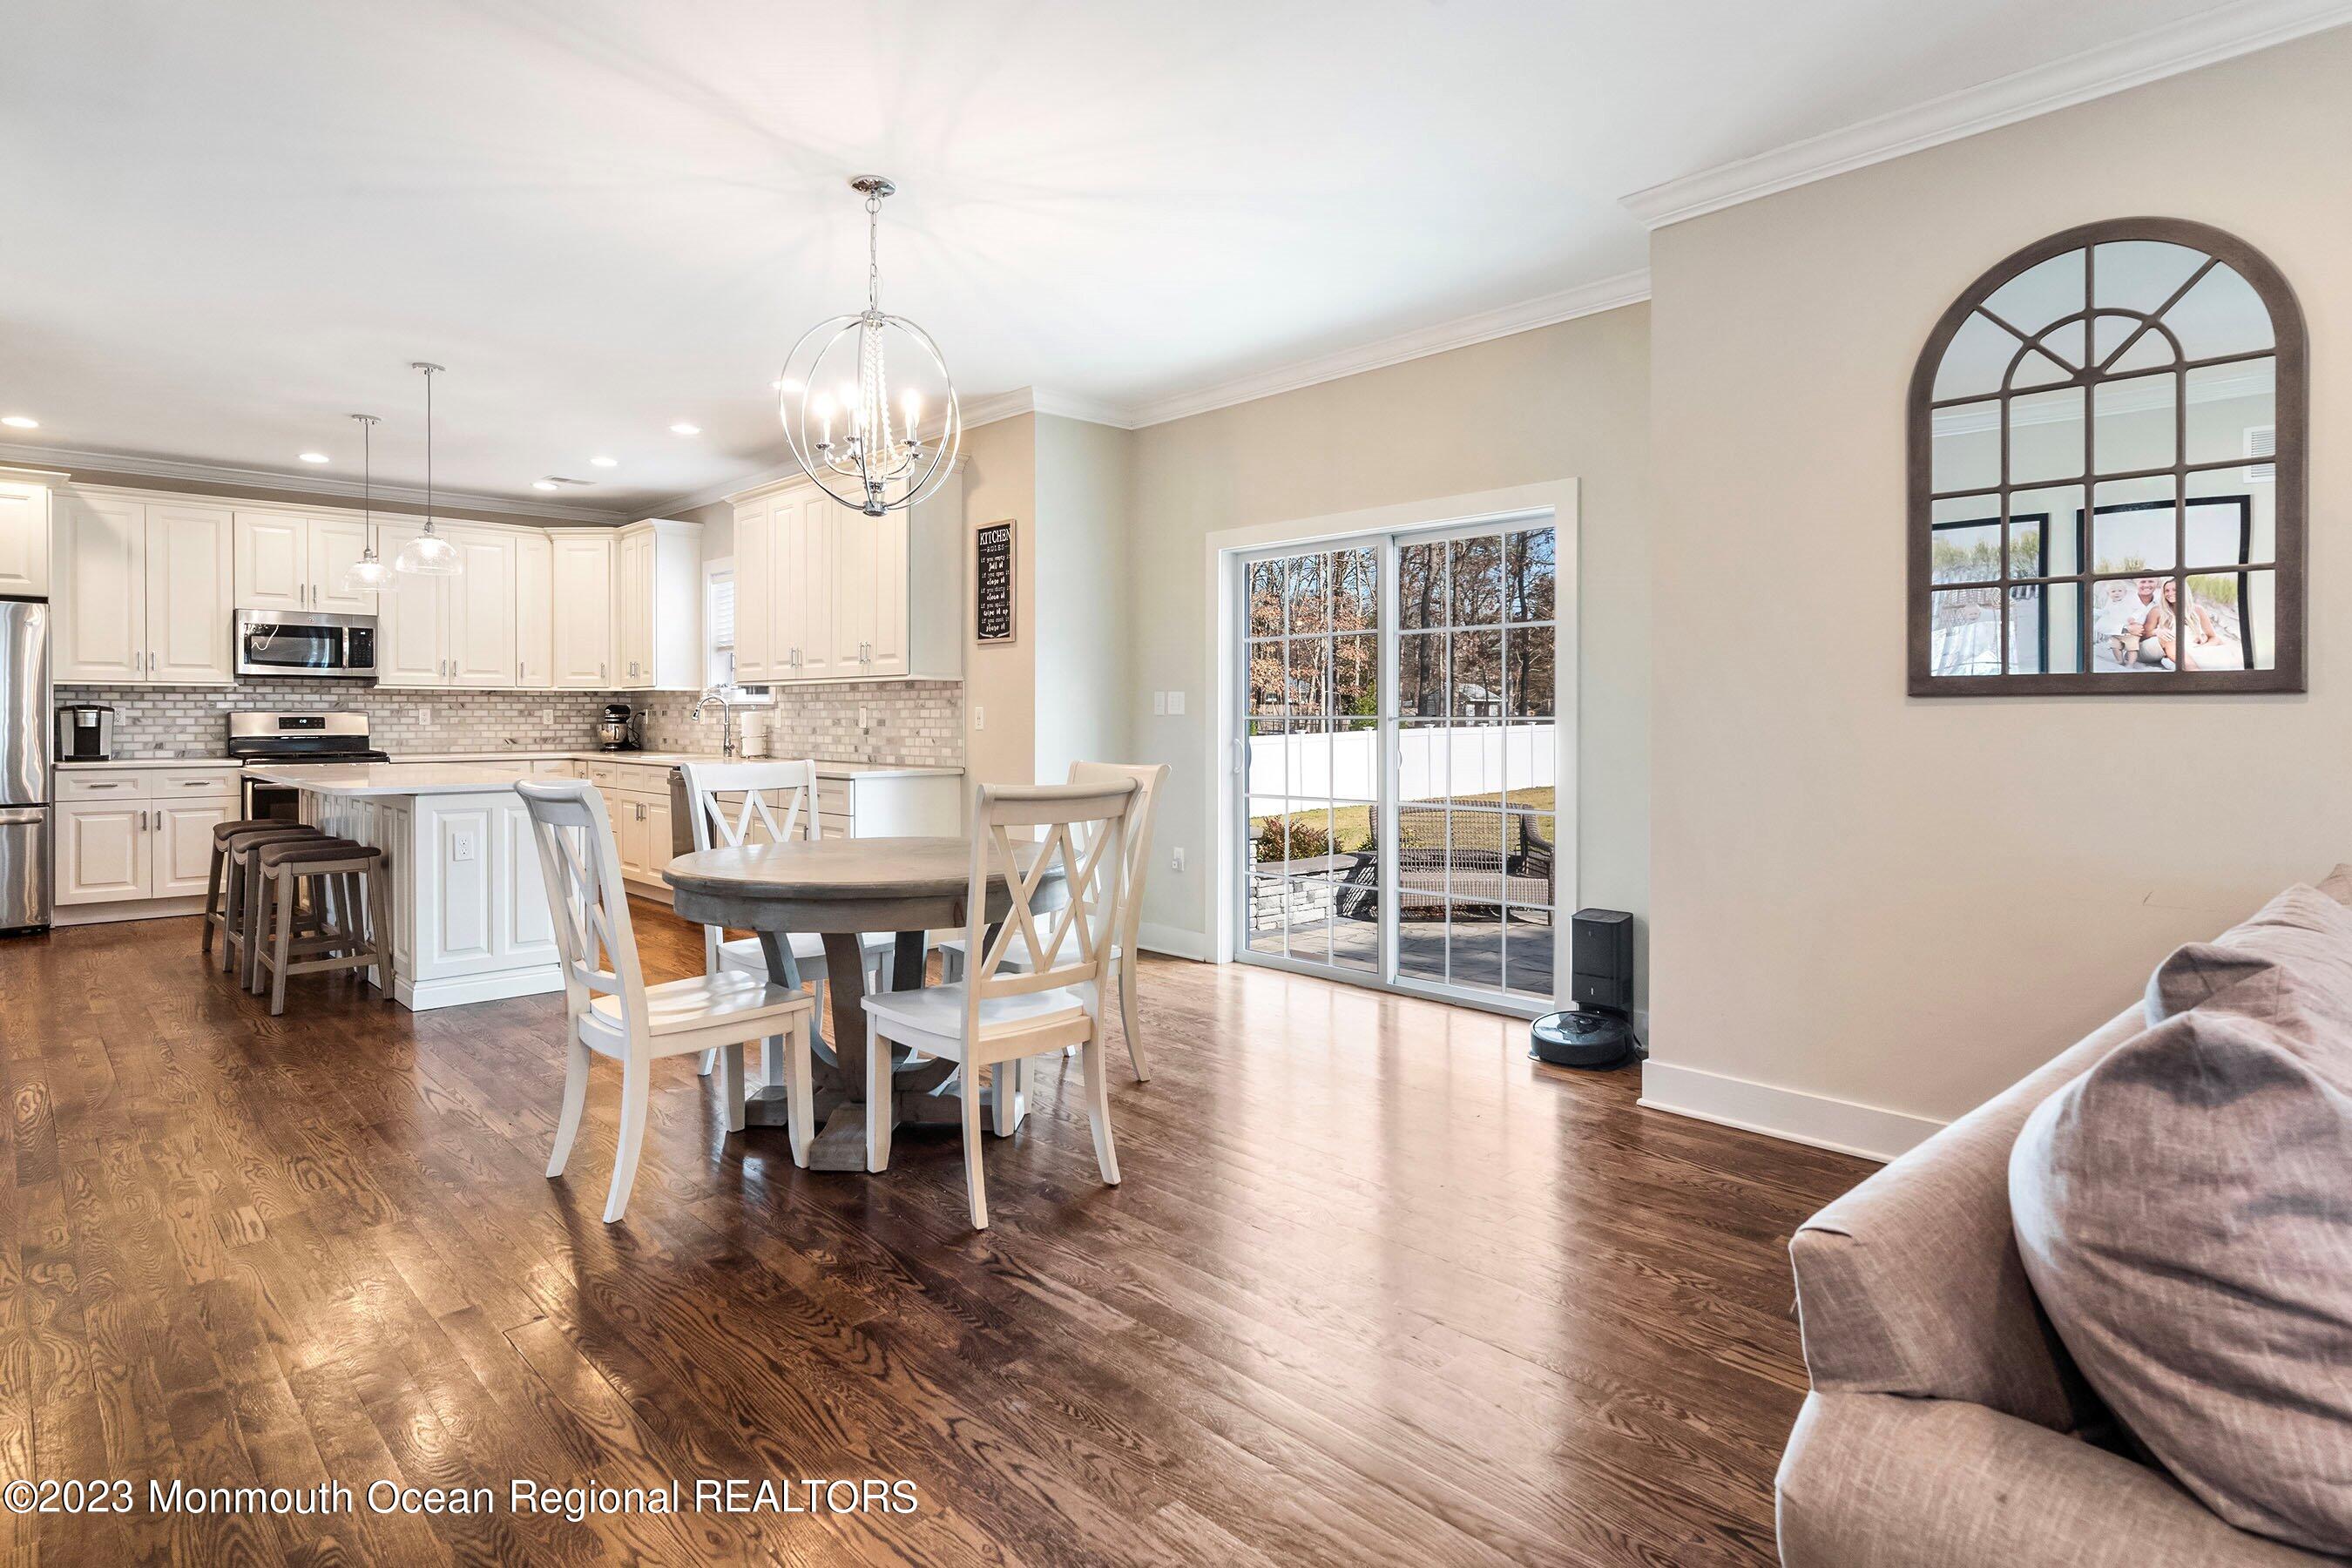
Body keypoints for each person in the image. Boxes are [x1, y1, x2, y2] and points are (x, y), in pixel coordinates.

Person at [2164, 578, 2219, 670]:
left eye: (2175, 590)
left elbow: (2214, 637)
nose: (2170, 594)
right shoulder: (2162, 611)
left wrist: (2202, 648)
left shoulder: (2197, 610)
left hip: (2197, 650)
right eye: (2167, 591)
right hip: (2174, 656)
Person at [2124, 577, 2176, 670]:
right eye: (2143, 581)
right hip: (2132, 647)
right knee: (2167, 638)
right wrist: (2156, 632)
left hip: (2157, 646)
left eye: (2151, 581)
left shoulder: (2159, 602)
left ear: (2157, 583)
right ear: (2136, 582)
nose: (2147, 585)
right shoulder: (2123, 600)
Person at [2094, 581, 2140, 666]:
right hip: (2116, 632)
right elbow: (2105, 612)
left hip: (2130, 632)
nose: (2117, 593)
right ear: (2109, 594)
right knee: (2115, 647)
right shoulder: (2110, 603)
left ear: (2125, 592)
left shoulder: (2129, 602)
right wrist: (2095, 611)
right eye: (2113, 591)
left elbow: (2138, 610)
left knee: (2132, 649)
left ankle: (2131, 663)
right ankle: (2120, 660)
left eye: (2120, 591)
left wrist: (2134, 617)